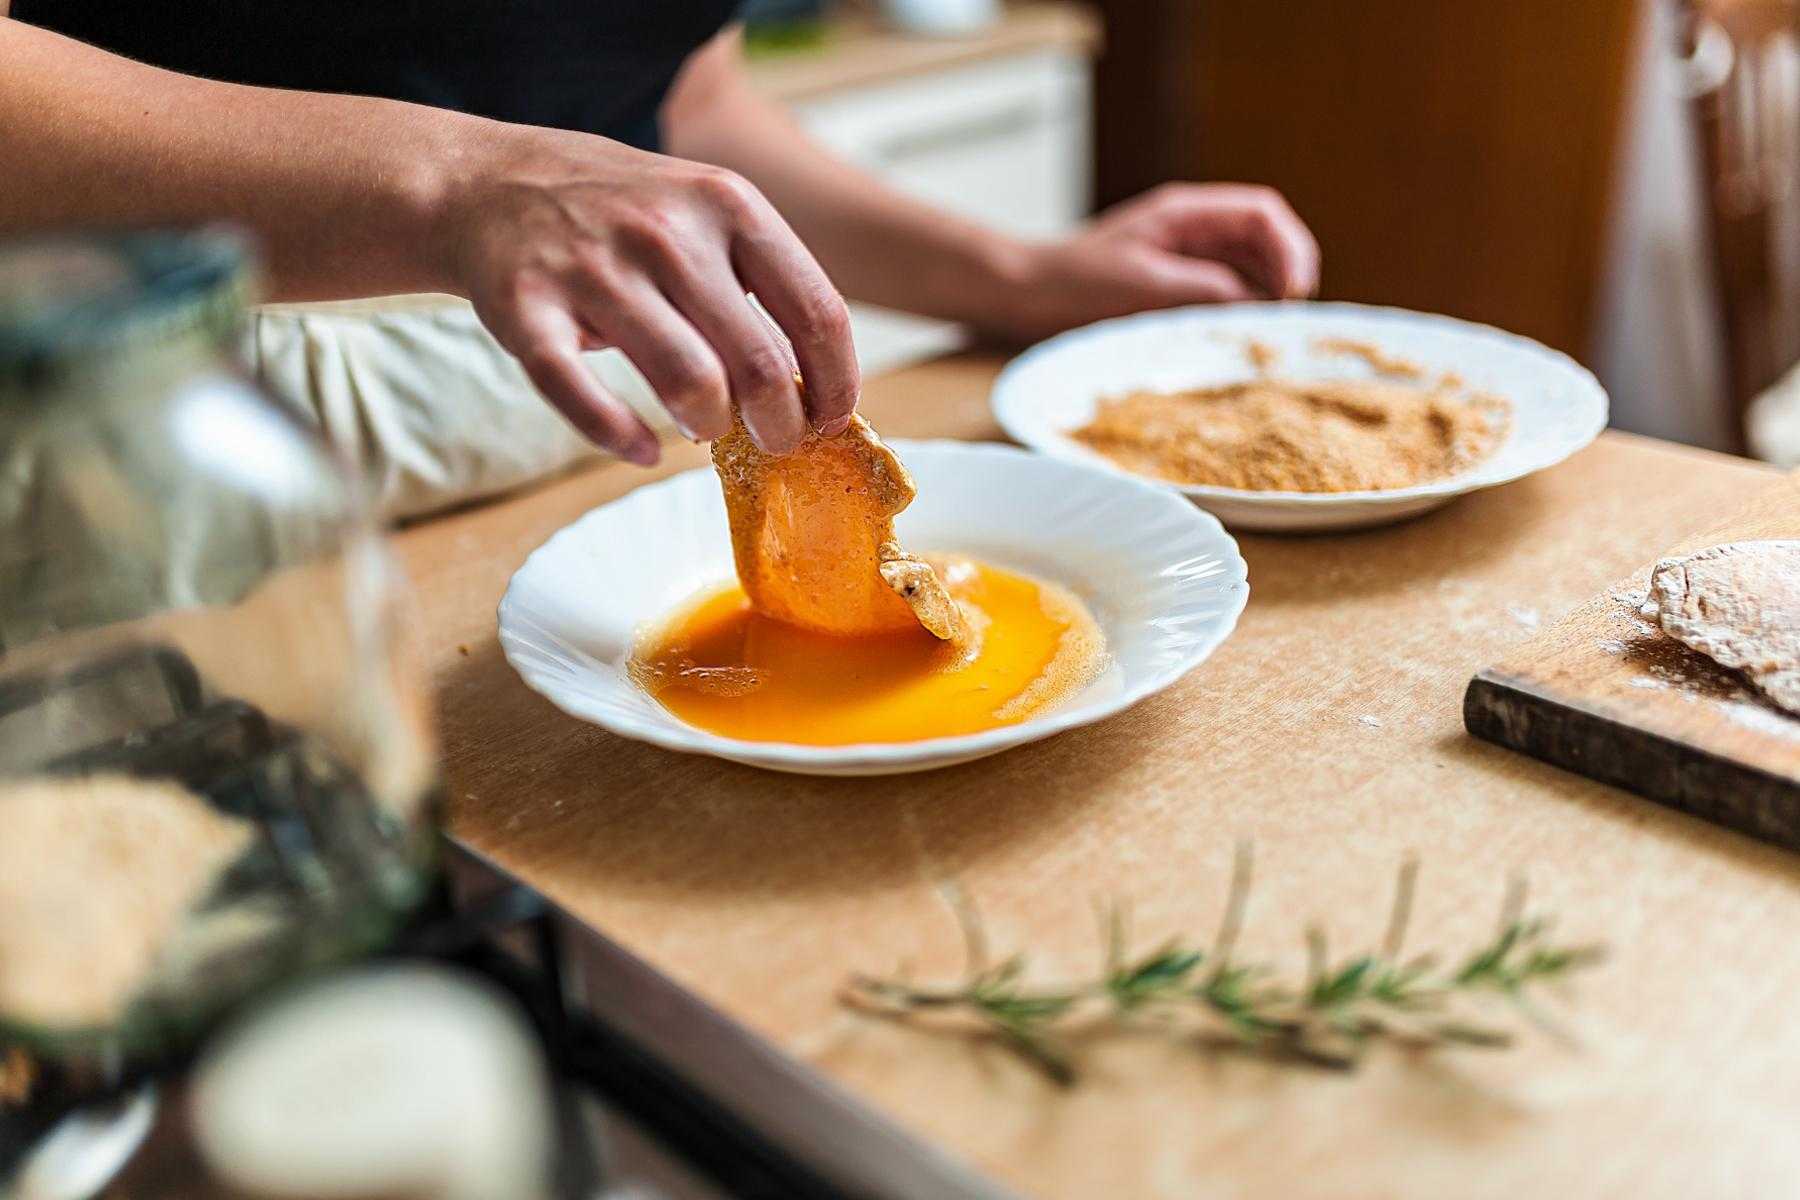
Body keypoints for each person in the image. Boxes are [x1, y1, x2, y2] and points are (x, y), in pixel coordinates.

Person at [0, 3, 1319, 466]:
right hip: (151, 453)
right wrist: (462, 182)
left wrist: (1020, 273)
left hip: (573, 456)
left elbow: (680, 98)